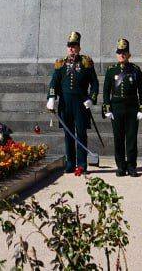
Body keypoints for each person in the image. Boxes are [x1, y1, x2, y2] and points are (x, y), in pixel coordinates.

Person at [46, 30, 99, 174]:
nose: (71, 48)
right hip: (65, 104)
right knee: (68, 133)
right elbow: (54, 83)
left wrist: (91, 98)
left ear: (79, 48)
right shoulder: (61, 64)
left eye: (74, 46)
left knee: (81, 133)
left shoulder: (86, 62)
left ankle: (81, 164)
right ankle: (70, 163)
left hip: (80, 104)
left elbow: (94, 83)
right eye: (69, 46)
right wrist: (51, 98)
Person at [101, 38, 142, 177]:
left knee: (131, 139)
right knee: (118, 139)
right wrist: (107, 109)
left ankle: (132, 166)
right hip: (117, 108)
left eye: (124, 52)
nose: (122, 55)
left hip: (132, 108)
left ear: (129, 54)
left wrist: (141, 109)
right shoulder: (111, 70)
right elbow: (106, 91)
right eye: (120, 52)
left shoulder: (135, 70)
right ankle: (120, 166)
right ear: (117, 54)